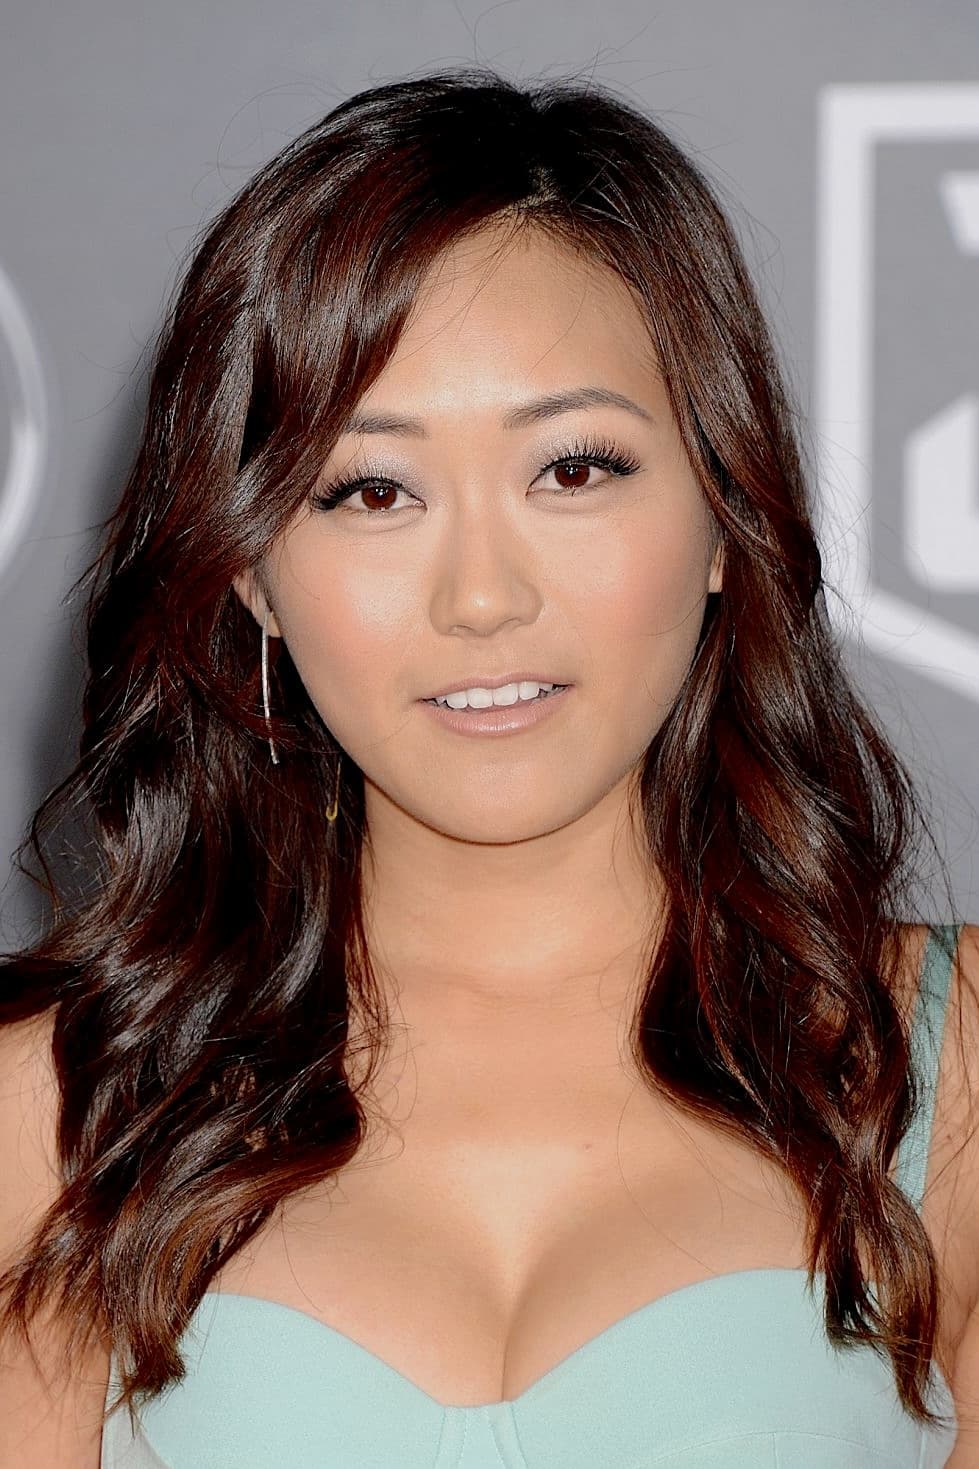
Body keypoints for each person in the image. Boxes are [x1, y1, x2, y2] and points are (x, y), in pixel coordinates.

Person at [0, 65, 977, 1469]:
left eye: (572, 470)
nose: (480, 598)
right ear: (253, 571)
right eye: (372, 489)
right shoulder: (55, 1111)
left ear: (723, 515)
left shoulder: (948, 1075)